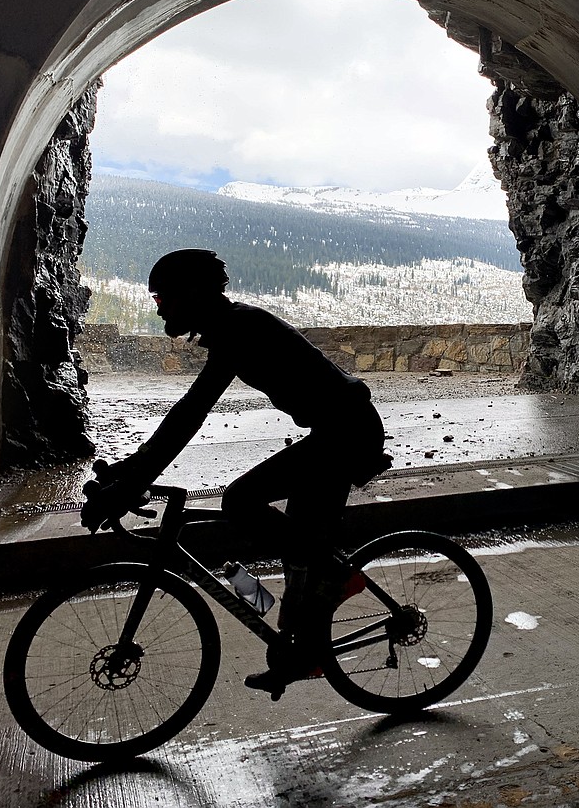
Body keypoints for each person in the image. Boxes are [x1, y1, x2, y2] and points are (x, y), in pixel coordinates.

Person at [83, 248, 391, 689]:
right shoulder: (233, 326)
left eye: (162, 298)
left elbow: (189, 414)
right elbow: (184, 416)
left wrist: (132, 479)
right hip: (337, 431)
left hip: (347, 435)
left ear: (192, 294)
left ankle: (336, 576)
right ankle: (304, 646)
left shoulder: (240, 329)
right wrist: (127, 472)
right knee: (296, 560)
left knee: (241, 500)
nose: (160, 308)